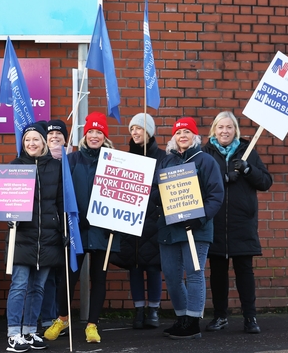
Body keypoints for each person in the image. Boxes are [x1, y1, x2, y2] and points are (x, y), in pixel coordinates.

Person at [202, 111, 272, 334]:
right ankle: (220, 316)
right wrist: (222, 178)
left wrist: (248, 170)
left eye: (229, 127)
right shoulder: (205, 153)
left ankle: (250, 317)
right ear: (214, 130)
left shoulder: (247, 151)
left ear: (235, 130)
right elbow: (198, 182)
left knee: (244, 271)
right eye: (220, 127)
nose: (225, 131)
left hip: (242, 222)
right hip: (215, 223)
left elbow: (265, 182)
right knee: (218, 273)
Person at [157, 117, 224, 340]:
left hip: (196, 229)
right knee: (172, 275)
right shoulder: (166, 162)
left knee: (194, 274)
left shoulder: (205, 161)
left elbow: (216, 194)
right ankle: (182, 319)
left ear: (195, 136)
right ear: (174, 137)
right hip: (169, 229)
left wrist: (200, 218)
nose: (182, 135)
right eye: (178, 132)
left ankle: (193, 321)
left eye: (187, 131)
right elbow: (157, 194)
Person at [2, 122, 63, 352]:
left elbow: (60, 202)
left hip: (48, 237)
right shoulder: (15, 166)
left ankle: (29, 331)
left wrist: (65, 230)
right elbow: (6, 201)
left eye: (35, 139)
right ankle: (13, 333)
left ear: (44, 142)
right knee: (19, 286)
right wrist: (8, 216)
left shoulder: (55, 167)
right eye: (27, 140)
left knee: (38, 287)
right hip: (22, 238)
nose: (31, 143)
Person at [63, 112, 120, 344]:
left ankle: (92, 324)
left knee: (99, 278)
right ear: (84, 134)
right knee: (69, 277)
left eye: (99, 132)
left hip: (103, 230)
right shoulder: (72, 158)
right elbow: (63, 193)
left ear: (104, 135)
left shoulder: (114, 160)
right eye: (91, 131)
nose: (94, 136)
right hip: (77, 229)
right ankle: (62, 317)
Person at [110, 113, 167, 329]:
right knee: (133, 265)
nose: (134, 132)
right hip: (131, 220)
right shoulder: (125, 158)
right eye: (132, 129)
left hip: (154, 221)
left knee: (153, 266)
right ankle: (139, 310)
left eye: (139, 128)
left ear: (149, 131)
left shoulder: (163, 157)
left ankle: (153, 310)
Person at [40, 119, 66, 339]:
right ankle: (49, 318)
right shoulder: (42, 162)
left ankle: (62, 317)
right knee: (48, 276)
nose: (54, 138)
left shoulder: (72, 160)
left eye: (59, 135)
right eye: (50, 136)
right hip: (48, 228)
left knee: (64, 276)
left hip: (69, 228)